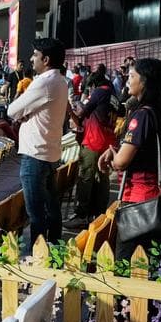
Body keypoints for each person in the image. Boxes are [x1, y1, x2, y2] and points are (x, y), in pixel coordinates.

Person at [100, 58, 161, 261]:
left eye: (132, 76)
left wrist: (114, 156)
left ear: (145, 81)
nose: (127, 81)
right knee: (152, 263)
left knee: (127, 265)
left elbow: (121, 162)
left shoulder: (142, 115)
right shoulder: (160, 110)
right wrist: (117, 149)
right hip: (159, 198)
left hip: (140, 203)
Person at [7, 38, 70, 247]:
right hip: (49, 152)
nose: (32, 59)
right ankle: (53, 251)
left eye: (35, 55)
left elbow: (12, 110)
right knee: (51, 209)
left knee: (36, 213)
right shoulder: (60, 80)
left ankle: (39, 257)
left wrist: (23, 114)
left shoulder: (44, 82)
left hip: (35, 154)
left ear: (46, 59)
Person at [67, 67, 118, 227]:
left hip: (93, 141)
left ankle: (81, 214)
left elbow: (83, 111)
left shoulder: (100, 91)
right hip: (106, 141)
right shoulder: (113, 96)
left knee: (85, 176)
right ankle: (98, 213)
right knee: (102, 178)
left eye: (89, 88)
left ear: (93, 85)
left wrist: (76, 104)